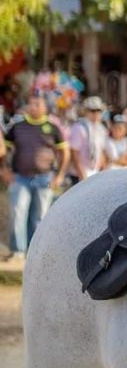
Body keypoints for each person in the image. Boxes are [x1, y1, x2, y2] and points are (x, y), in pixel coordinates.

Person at [0, 92, 70, 261]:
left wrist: (60, 175)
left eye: (37, 104)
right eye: (31, 103)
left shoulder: (52, 127)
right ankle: (18, 251)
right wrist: (4, 170)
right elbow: (4, 150)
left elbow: (65, 152)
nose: (33, 107)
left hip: (44, 178)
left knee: (40, 217)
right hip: (20, 178)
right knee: (18, 214)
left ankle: (35, 253)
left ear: (45, 107)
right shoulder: (17, 127)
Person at [67, 96, 109, 184]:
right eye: (92, 111)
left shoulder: (101, 128)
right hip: (79, 174)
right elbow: (74, 152)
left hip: (95, 172)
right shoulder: (79, 127)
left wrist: (103, 170)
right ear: (86, 111)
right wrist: (81, 173)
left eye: (98, 111)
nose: (95, 113)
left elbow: (101, 150)